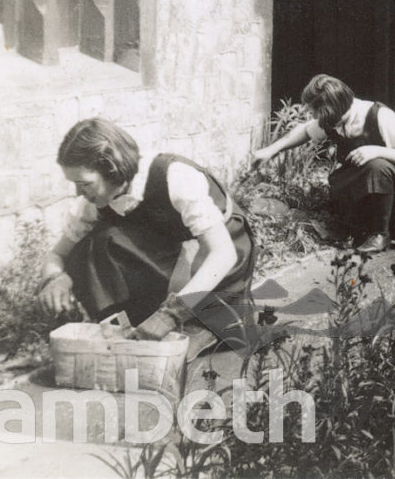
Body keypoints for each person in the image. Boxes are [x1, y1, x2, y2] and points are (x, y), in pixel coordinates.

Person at [37, 118, 256, 357]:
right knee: (96, 243)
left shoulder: (174, 177)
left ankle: (199, 323)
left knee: (196, 337)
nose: (78, 193)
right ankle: (137, 319)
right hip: (173, 253)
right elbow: (58, 254)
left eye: (84, 184)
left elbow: (222, 254)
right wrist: (55, 278)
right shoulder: (91, 203)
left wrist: (171, 314)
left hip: (221, 258)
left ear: (111, 169)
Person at [248, 74, 395, 254]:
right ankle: (357, 227)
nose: (316, 118)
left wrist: (376, 150)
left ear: (333, 110)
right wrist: (271, 150)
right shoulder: (334, 118)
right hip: (368, 183)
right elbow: (305, 131)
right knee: (339, 180)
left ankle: (380, 233)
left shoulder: (379, 116)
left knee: (376, 166)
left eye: (317, 114)